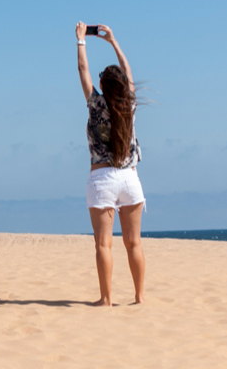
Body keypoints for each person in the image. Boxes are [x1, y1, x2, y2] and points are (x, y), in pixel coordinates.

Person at [76, 22, 146, 306]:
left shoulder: (96, 104)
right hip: (129, 178)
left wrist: (81, 40)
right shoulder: (129, 105)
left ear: (103, 86)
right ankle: (139, 297)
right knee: (134, 243)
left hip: (102, 178)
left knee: (103, 244)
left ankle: (106, 299)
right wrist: (113, 42)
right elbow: (128, 74)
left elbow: (83, 71)